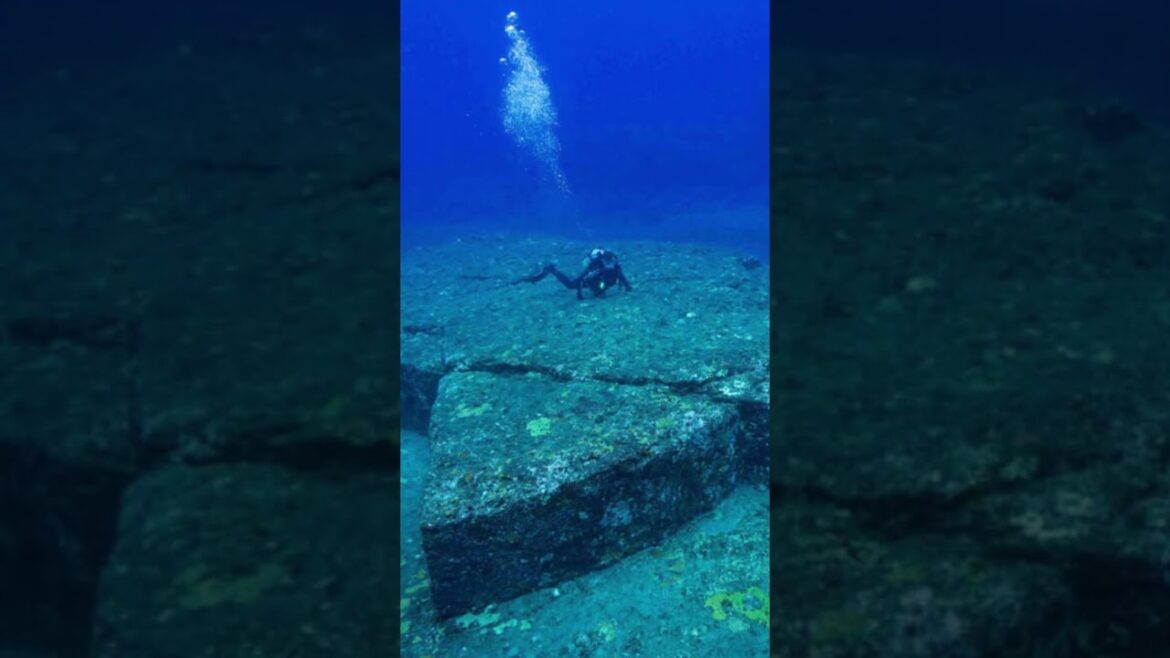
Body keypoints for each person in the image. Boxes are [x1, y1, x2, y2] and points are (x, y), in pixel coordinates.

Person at [513, 248, 632, 299]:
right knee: (571, 284)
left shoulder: (614, 265)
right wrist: (580, 294)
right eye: (608, 263)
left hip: (598, 280)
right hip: (592, 279)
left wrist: (627, 286)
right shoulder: (600, 268)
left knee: (597, 290)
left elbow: (620, 275)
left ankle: (551, 270)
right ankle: (552, 270)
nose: (610, 265)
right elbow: (584, 279)